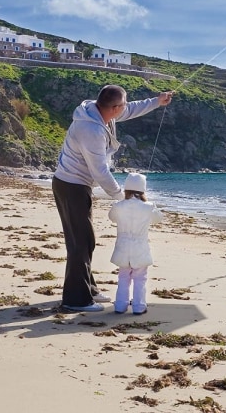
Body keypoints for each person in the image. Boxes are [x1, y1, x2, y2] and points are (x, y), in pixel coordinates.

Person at [52, 85, 173, 313]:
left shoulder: (104, 113)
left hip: (77, 185)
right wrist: (123, 197)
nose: (126, 107)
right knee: (80, 242)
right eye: (123, 104)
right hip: (71, 186)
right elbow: (100, 172)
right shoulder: (91, 129)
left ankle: (88, 288)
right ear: (115, 107)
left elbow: (133, 108)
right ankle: (75, 300)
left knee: (86, 240)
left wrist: (158, 101)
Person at [108, 172, 162, 314]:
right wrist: (149, 205)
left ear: (126, 189)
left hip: (123, 247)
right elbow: (158, 219)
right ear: (142, 190)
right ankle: (139, 306)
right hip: (140, 247)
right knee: (140, 278)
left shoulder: (119, 206)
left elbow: (112, 217)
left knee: (123, 277)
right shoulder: (149, 207)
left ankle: (120, 305)